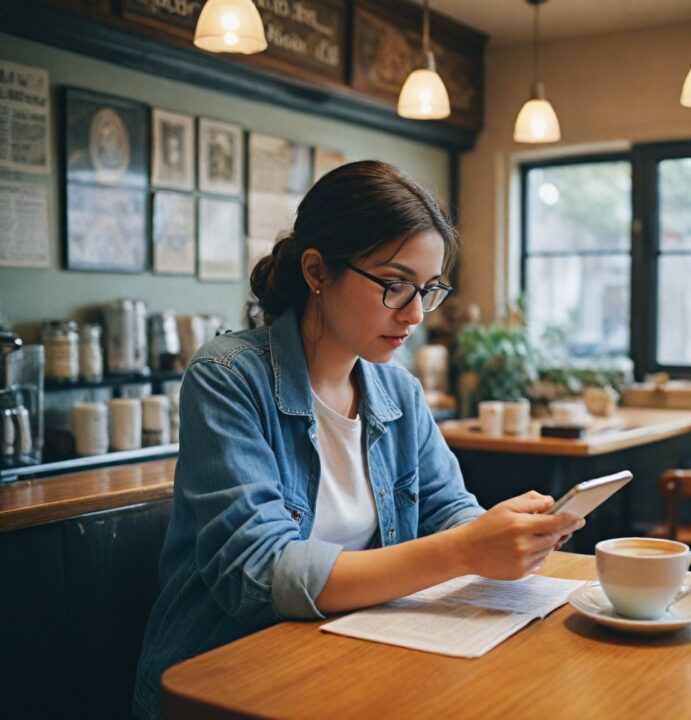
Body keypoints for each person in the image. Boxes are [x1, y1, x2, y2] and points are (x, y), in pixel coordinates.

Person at [133, 160, 582, 719]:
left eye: (428, 289)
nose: (416, 314)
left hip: (349, 654)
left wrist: (509, 533)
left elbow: (448, 510)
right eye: (395, 286)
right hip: (226, 679)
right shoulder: (228, 376)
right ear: (318, 271)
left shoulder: (398, 391)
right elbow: (257, 574)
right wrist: (468, 549)